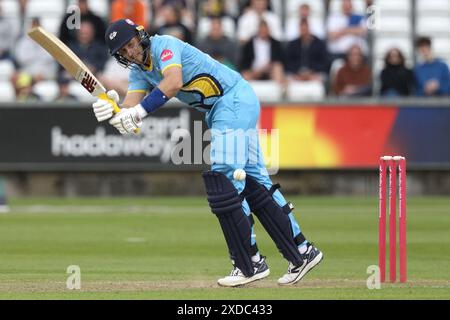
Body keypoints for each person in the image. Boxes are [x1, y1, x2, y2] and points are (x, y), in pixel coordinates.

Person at [93, 19, 323, 287]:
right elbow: (132, 107)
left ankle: (249, 263)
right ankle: (302, 252)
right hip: (224, 109)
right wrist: (115, 111)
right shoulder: (139, 72)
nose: (129, 53)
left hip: (232, 99)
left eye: (130, 45)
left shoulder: (164, 46)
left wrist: (137, 113)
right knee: (255, 183)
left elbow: (173, 82)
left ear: (140, 35)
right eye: (122, 52)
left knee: (224, 180)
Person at [240, 19, 286, 87]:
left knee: (277, 68)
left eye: (265, 29)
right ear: (258, 30)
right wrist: (254, 71)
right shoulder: (249, 44)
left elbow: (279, 59)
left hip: (270, 71)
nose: (263, 31)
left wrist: (269, 66)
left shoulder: (275, 44)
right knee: (245, 76)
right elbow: (244, 61)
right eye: (262, 29)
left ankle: (280, 91)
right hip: (254, 71)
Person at [285, 18, 329, 84]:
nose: (304, 31)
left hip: (315, 73)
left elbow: (325, 63)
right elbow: (288, 62)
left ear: (309, 28)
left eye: (305, 29)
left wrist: (311, 71)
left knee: (320, 79)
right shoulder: (293, 44)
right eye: (302, 29)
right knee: (288, 79)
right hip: (297, 74)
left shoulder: (319, 44)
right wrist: (298, 73)